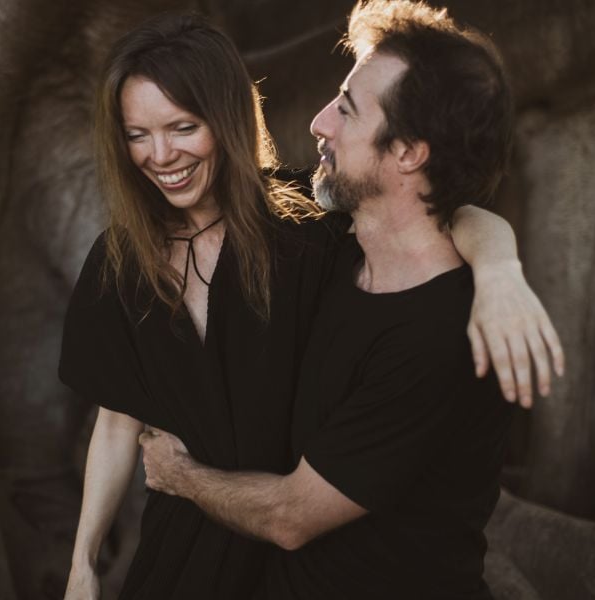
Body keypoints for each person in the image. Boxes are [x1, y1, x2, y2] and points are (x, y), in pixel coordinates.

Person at [60, 10, 562, 600]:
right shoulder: (121, 259)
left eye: (182, 127)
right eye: (137, 134)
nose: (160, 155)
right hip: (185, 551)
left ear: (224, 120)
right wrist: (83, 567)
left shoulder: (305, 227)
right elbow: (117, 418)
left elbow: (441, 212)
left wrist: (501, 272)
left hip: (278, 535)